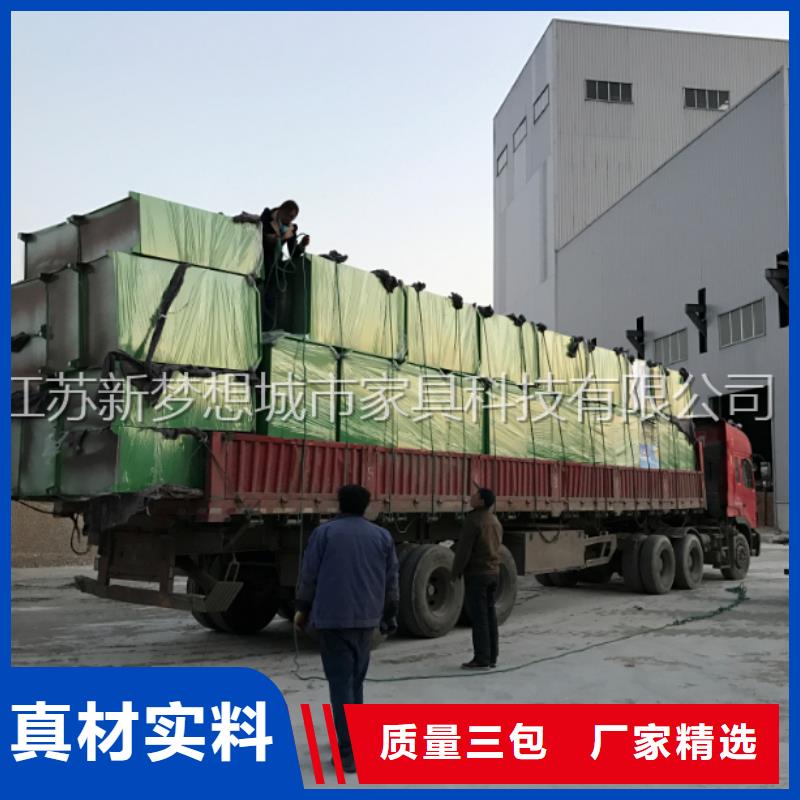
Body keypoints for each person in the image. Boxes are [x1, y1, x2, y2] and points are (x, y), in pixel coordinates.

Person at [294, 484, 399, 773]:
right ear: (366, 506)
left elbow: (309, 575)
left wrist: (302, 609)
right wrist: (390, 614)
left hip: (332, 620)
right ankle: (353, 740)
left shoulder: (324, 533)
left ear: (339, 504)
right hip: (367, 621)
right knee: (355, 682)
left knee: (341, 685)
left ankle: (349, 752)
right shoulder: (382, 536)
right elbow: (391, 580)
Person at [451, 487, 503, 670]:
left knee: (479, 618)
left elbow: (464, 551)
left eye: (475, 495)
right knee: (489, 615)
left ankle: (481, 658)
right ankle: (492, 656)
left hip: (478, 574)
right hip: (493, 573)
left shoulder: (473, 520)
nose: (471, 497)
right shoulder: (495, 520)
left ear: (481, 501)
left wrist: (455, 572)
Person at [233, 199, 311, 270]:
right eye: (289, 216)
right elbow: (260, 232)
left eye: (292, 218)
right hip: (256, 256)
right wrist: (269, 238)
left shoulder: (291, 230)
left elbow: (293, 253)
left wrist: (302, 244)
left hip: (274, 263)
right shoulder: (267, 215)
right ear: (281, 210)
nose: (289, 220)